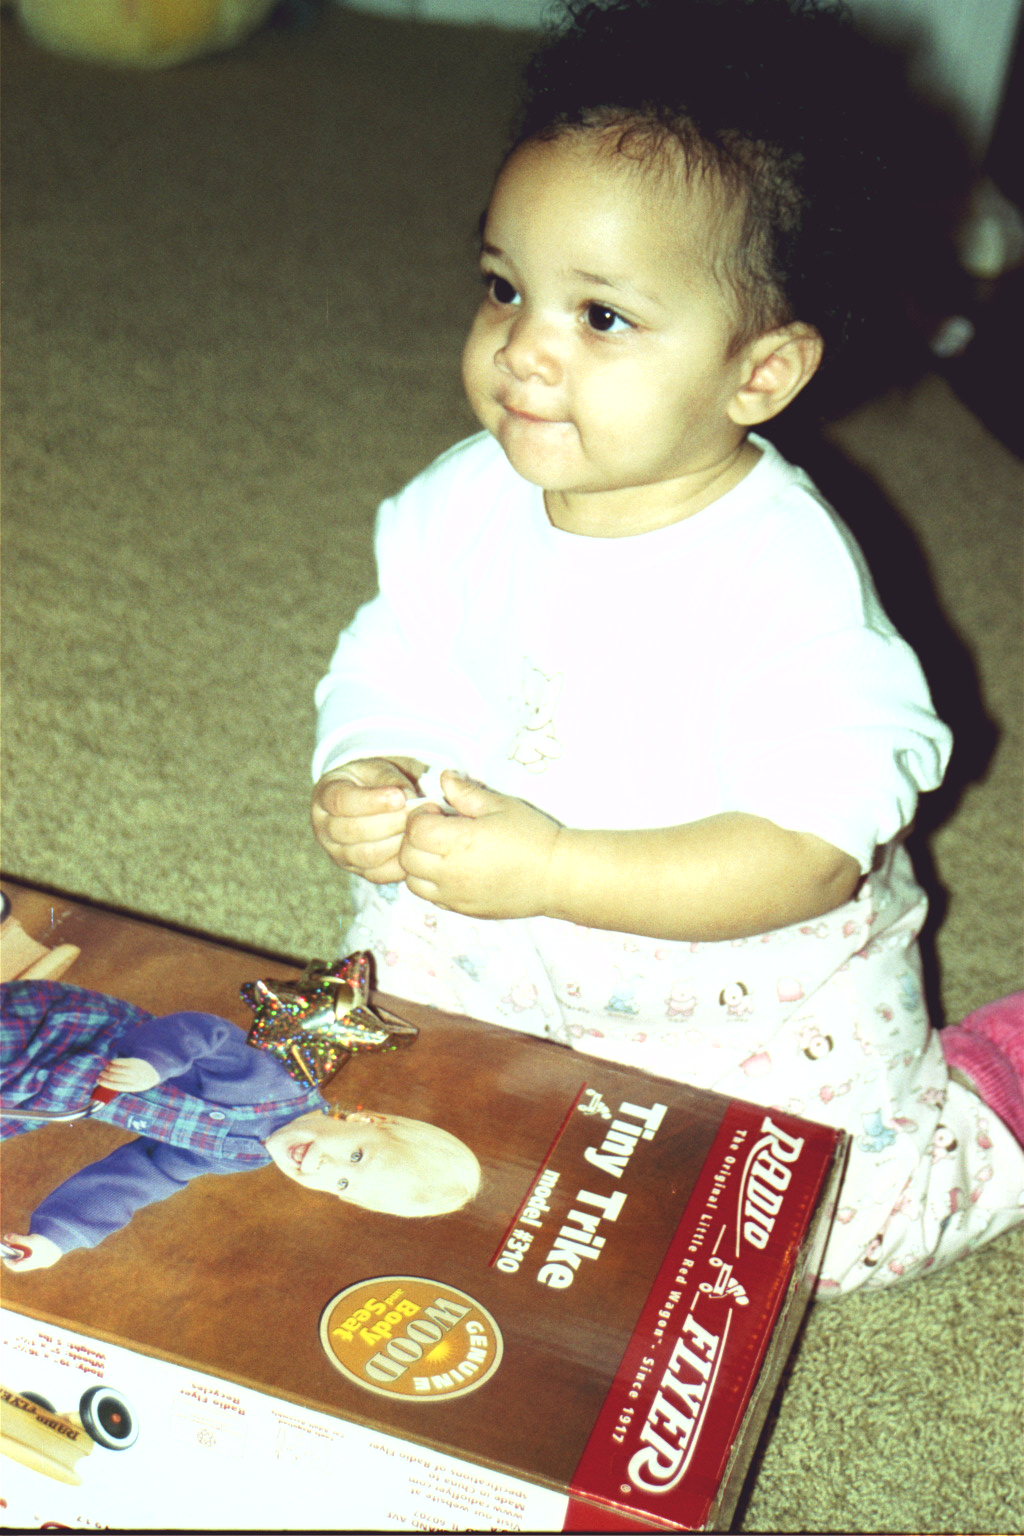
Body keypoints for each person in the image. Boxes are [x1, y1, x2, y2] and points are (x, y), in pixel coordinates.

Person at [309, 0, 1023, 1293]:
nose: (524, 348)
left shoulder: (784, 578)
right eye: (505, 288)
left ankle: (994, 1083)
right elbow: (398, 647)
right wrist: (372, 759)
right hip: (495, 919)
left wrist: (562, 867)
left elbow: (811, 852)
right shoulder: (467, 497)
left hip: (733, 963)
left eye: (602, 316)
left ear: (761, 375)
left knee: (823, 1229)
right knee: (384, 1093)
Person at [0, 980, 481, 1270]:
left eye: (342, 1184)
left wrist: (57, 1237)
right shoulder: (279, 1083)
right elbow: (206, 1033)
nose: (324, 1167)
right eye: (355, 1156)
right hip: (66, 1032)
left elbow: (145, 1172)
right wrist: (153, 1063)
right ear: (364, 1119)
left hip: (53, 1093)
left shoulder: (243, 1155)